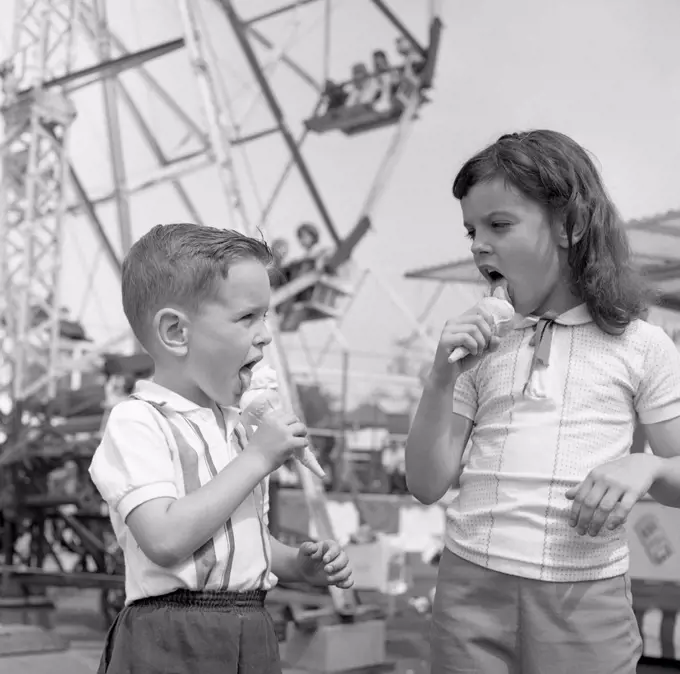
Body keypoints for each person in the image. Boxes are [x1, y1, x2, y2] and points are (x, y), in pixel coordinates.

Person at [405, 130, 680, 674]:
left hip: (586, 602)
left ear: (571, 225)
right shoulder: (474, 348)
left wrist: (645, 465)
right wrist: (440, 378)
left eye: (499, 225)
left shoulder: (643, 345)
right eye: (471, 230)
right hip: (467, 592)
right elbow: (426, 484)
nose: (479, 244)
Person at [89, 223, 353, 674]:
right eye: (247, 317)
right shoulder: (138, 421)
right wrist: (258, 459)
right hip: (173, 637)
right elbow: (166, 538)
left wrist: (294, 563)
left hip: (251, 626)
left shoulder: (237, 425)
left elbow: (239, 535)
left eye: (266, 316)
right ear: (175, 331)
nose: (266, 334)